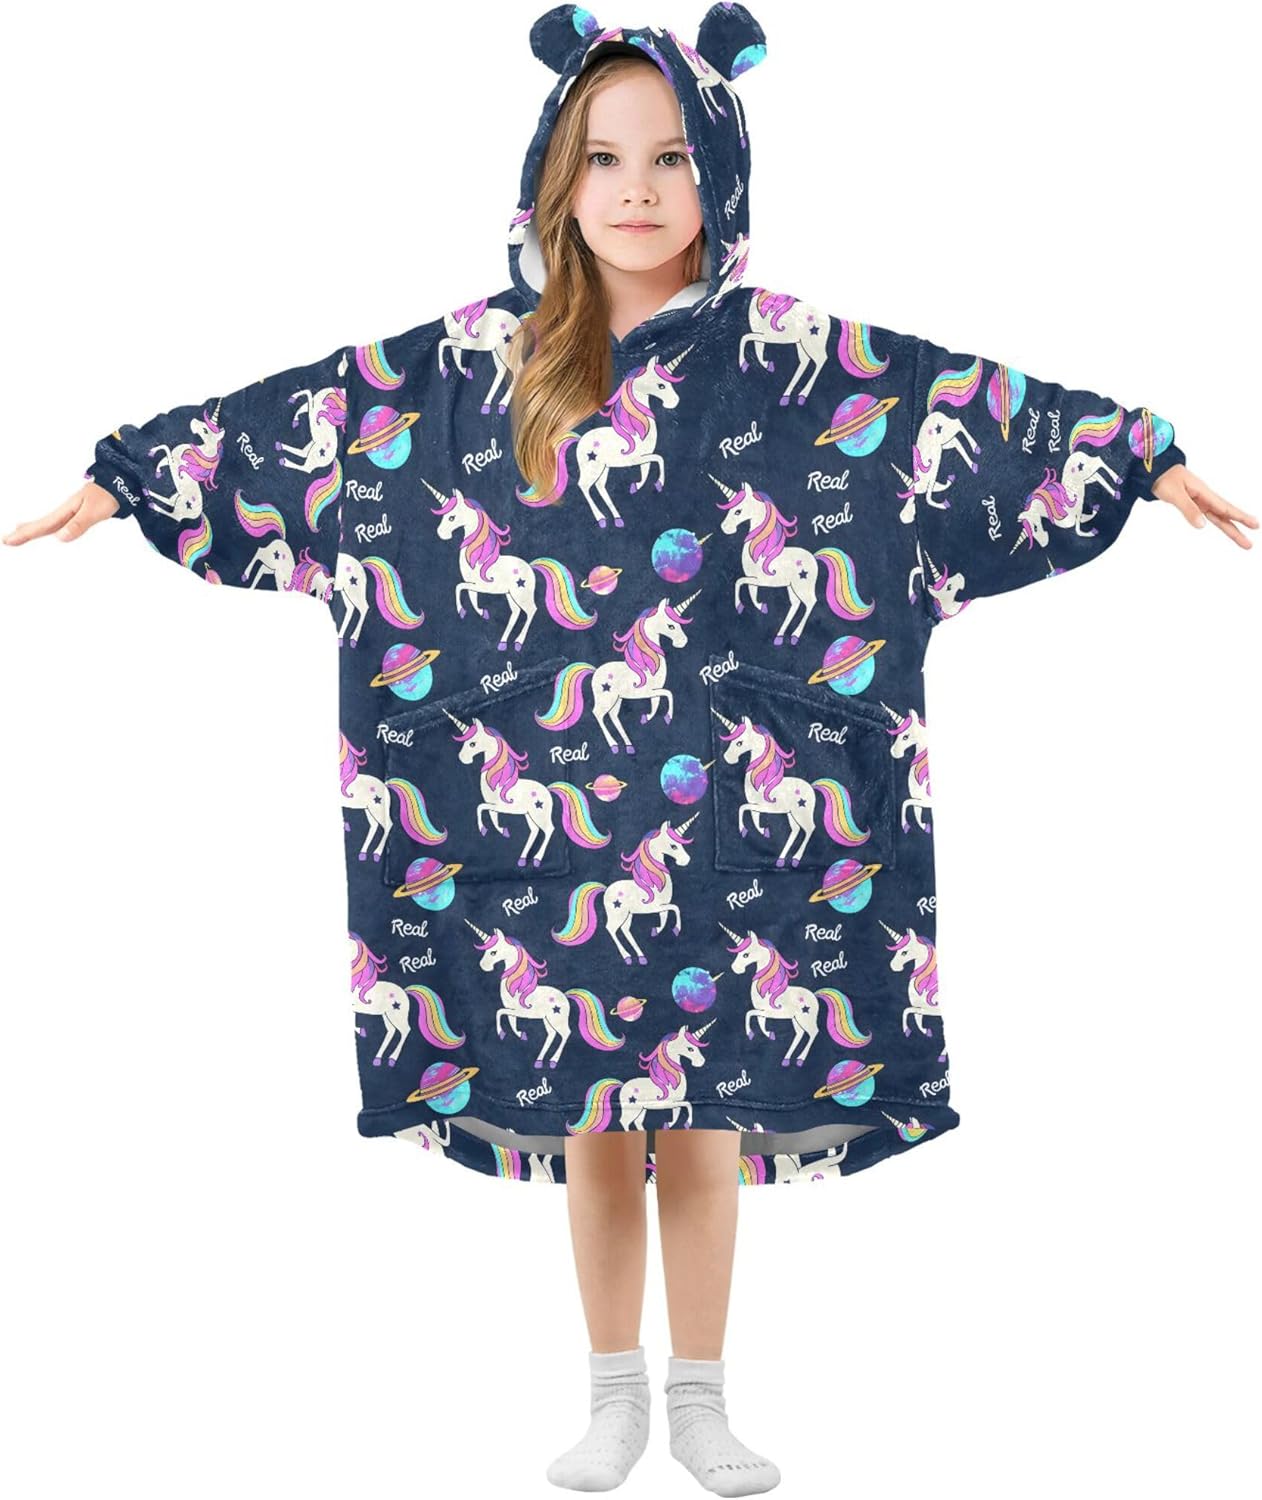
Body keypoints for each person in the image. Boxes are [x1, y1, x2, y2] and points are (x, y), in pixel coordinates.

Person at [4, 6, 1254, 1496]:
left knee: (709, 1115)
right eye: (602, 158)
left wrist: (1132, 455)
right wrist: (136, 478)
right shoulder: (463, 371)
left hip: (740, 819)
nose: (638, 189)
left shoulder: (810, 367)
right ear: (556, 174)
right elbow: (306, 427)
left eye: (671, 157)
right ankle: (612, 1396)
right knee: (590, 1121)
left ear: (721, 171)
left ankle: (702, 1399)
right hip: (536, 830)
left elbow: (961, 413)